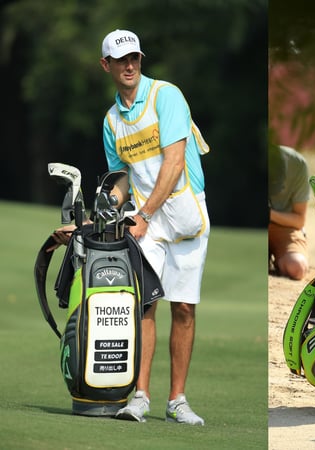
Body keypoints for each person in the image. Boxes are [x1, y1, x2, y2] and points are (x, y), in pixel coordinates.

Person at [96, 29, 210, 425]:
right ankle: (140, 396)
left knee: (183, 308)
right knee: (144, 305)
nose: (130, 66)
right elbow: (121, 179)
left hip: (187, 216)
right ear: (106, 65)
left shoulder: (167, 95)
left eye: (135, 59)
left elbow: (174, 162)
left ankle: (176, 399)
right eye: (121, 60)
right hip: (148, 222)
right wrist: (101, 215)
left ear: (141, 61)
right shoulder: (112, 121)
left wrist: (142, 216)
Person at [268, 142, 310, 280]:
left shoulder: (297, 163)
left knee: (297, 267)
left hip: (285, 226)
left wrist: (269, 214)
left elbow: (299, 220)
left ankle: (278, 261)